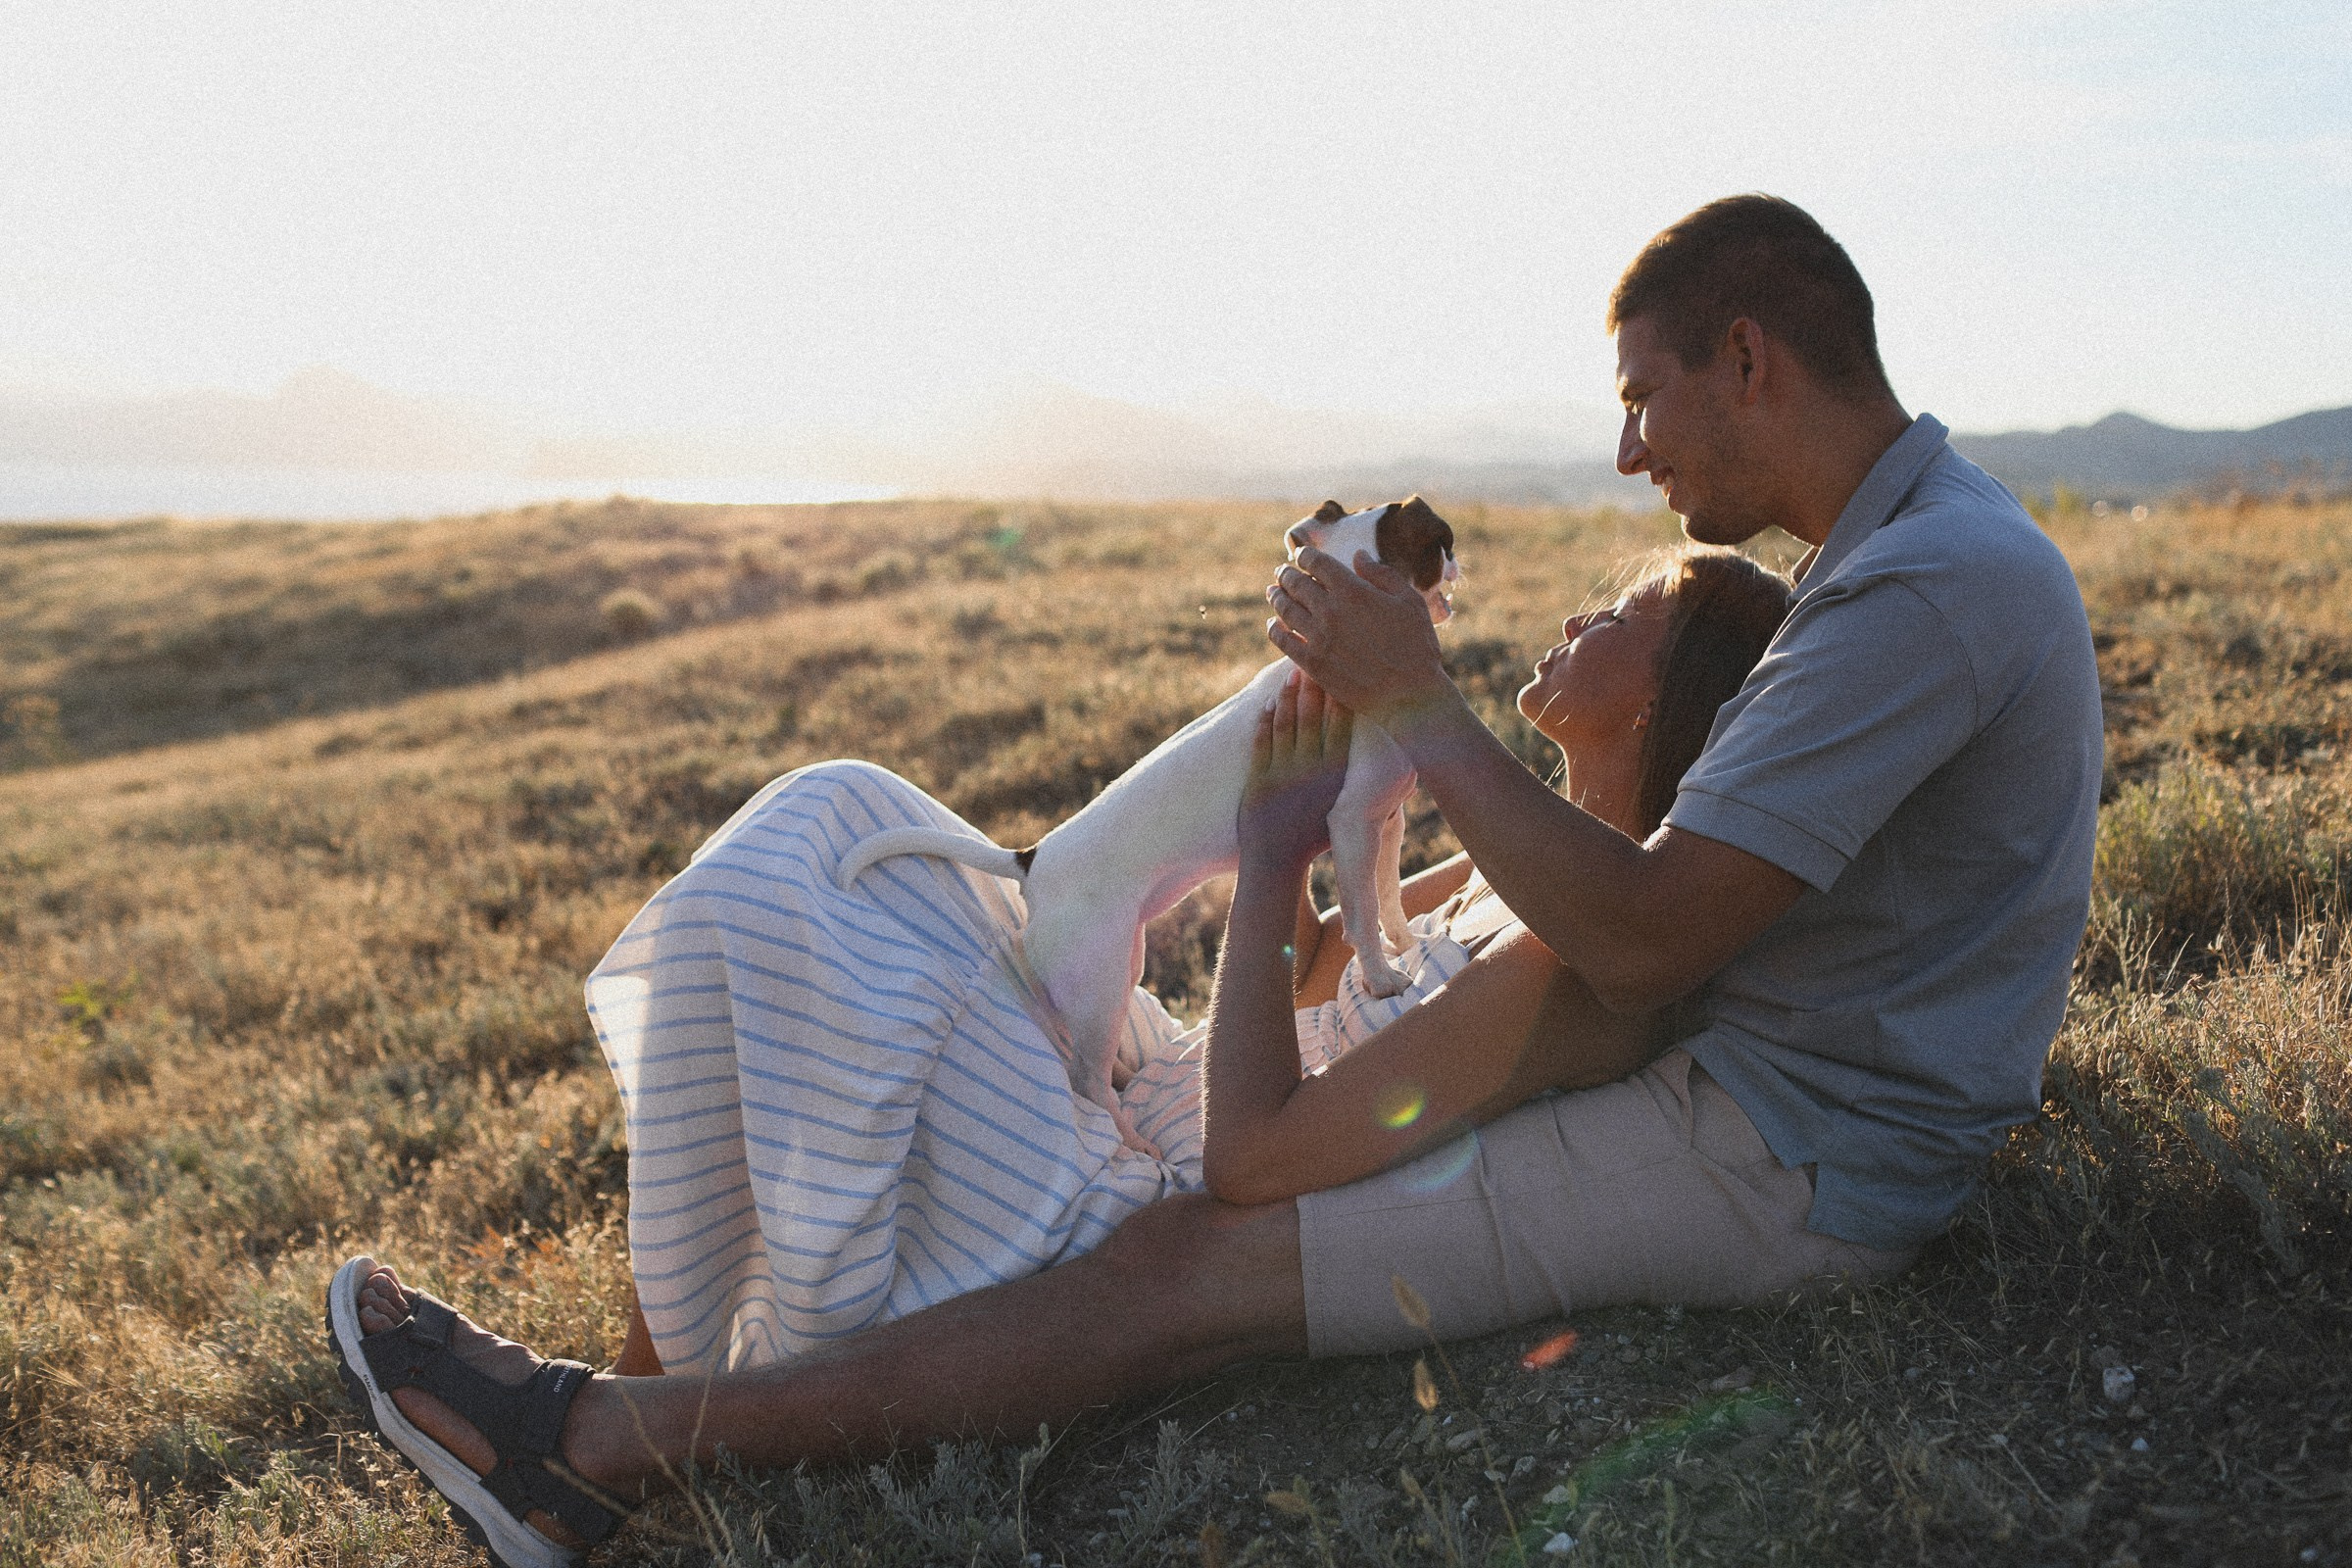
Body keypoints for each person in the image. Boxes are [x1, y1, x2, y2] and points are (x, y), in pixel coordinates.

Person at [328, 193, 2104, 1565]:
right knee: (845, 838)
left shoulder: (1927, 585)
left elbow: (1636, 939)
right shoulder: (1910, 564)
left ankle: (596, 1453)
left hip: (1788, 1152)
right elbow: (1653, 894)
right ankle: (650, 1394)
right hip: (1750, 1078)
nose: (1634, 453)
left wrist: (1386, 731)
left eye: (1644, 399)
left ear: (1748, 355)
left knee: (1189, 1273)